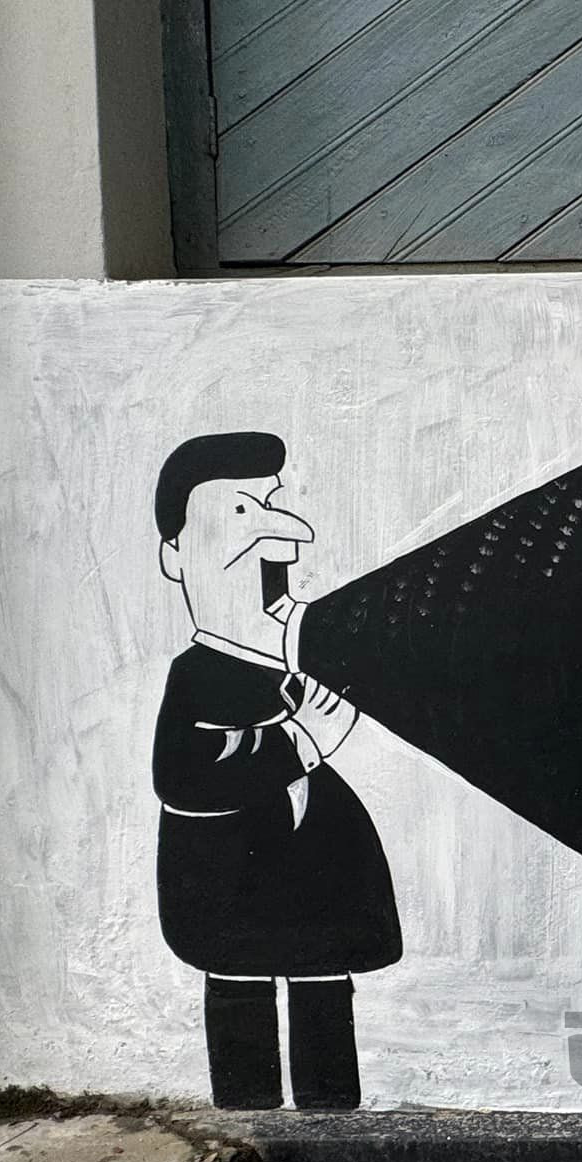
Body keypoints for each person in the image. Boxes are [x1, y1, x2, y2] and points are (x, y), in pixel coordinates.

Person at [150, 432, 400, 1109]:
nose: (268, 533)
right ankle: (249, 1124)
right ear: (175, 556)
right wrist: (301, 741)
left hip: (311, 892)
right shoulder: (196, 676)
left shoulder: (296, 661)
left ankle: (332, 1120)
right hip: (229, 889)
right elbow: (183, 776)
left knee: (323, 1001)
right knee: (241, 1001)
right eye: (238, 512)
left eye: (269, 505)